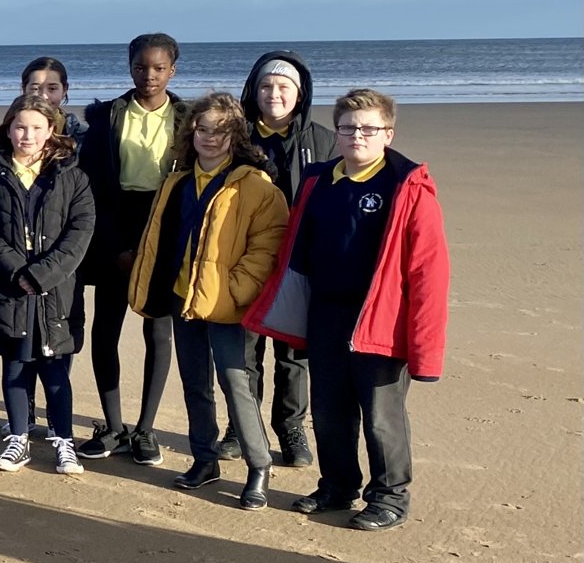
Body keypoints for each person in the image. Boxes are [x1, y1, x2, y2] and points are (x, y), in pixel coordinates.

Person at [246, 90, 450, 531]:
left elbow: (429, 272)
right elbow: (296, 250)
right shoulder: (320, 180)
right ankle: (337, 486)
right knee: (330, 408)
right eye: (348, 127)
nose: (357, 135)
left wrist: (426, 351)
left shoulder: (406, 184)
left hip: (378, 320)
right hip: (325, 313)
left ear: (387, 134)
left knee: (380, 414)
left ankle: (390, 497)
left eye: (368, 128)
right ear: (335, 132)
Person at [127, 93, 289, 509]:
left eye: (221, 130)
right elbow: (157, 240)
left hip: (228, 306)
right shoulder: (177, 182)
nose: (210, 138)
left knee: (238, 384)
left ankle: (258, 467)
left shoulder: (255, 185)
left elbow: (268, 247)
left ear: (236, 134)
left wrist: (235, 290)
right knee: (195, 384)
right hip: (183, 300)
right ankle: (205, 459)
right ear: (190, 132)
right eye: (202, 129)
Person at [0, 96, 96, 475]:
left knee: (55, 368)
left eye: (37, 127)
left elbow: (80, 230)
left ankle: (64, 441)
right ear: (7, 129)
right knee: (15, 366)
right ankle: (18, 438)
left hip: (56, 289)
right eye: (20, 127)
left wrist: (41, 274)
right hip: (6, 286)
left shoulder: (71, 174)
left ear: (51, 131)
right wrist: (17, 271)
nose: (28, 135)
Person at [76, 33, 186, 466]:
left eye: (158, 68)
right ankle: (113, 425)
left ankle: (145, 430)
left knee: (158, 332)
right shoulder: (106, 116)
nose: (149, 76)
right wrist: (117, 246)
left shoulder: (188, 117)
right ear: (130, 67)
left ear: (172, 69)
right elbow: (93, 187)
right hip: (113, 228)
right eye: (141, 67)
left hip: (162, 232)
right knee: (106, 330)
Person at [238, 51, 336, 468]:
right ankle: (241, 427)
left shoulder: (322, 141)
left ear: (300, 94)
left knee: (293, 353)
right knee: (244, 351)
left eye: (283, 87)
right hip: (246, 260)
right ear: (253, 91)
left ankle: (291, 429)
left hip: (299, 263)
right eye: (265, 86)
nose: (273, 94)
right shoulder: (237, 138)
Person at [21, 57, 88, 148]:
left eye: (52, 89)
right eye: (35, 89)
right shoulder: (12, 135)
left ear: (64, 90)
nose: (44, 96)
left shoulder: (83, 137)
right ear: (24, 89)